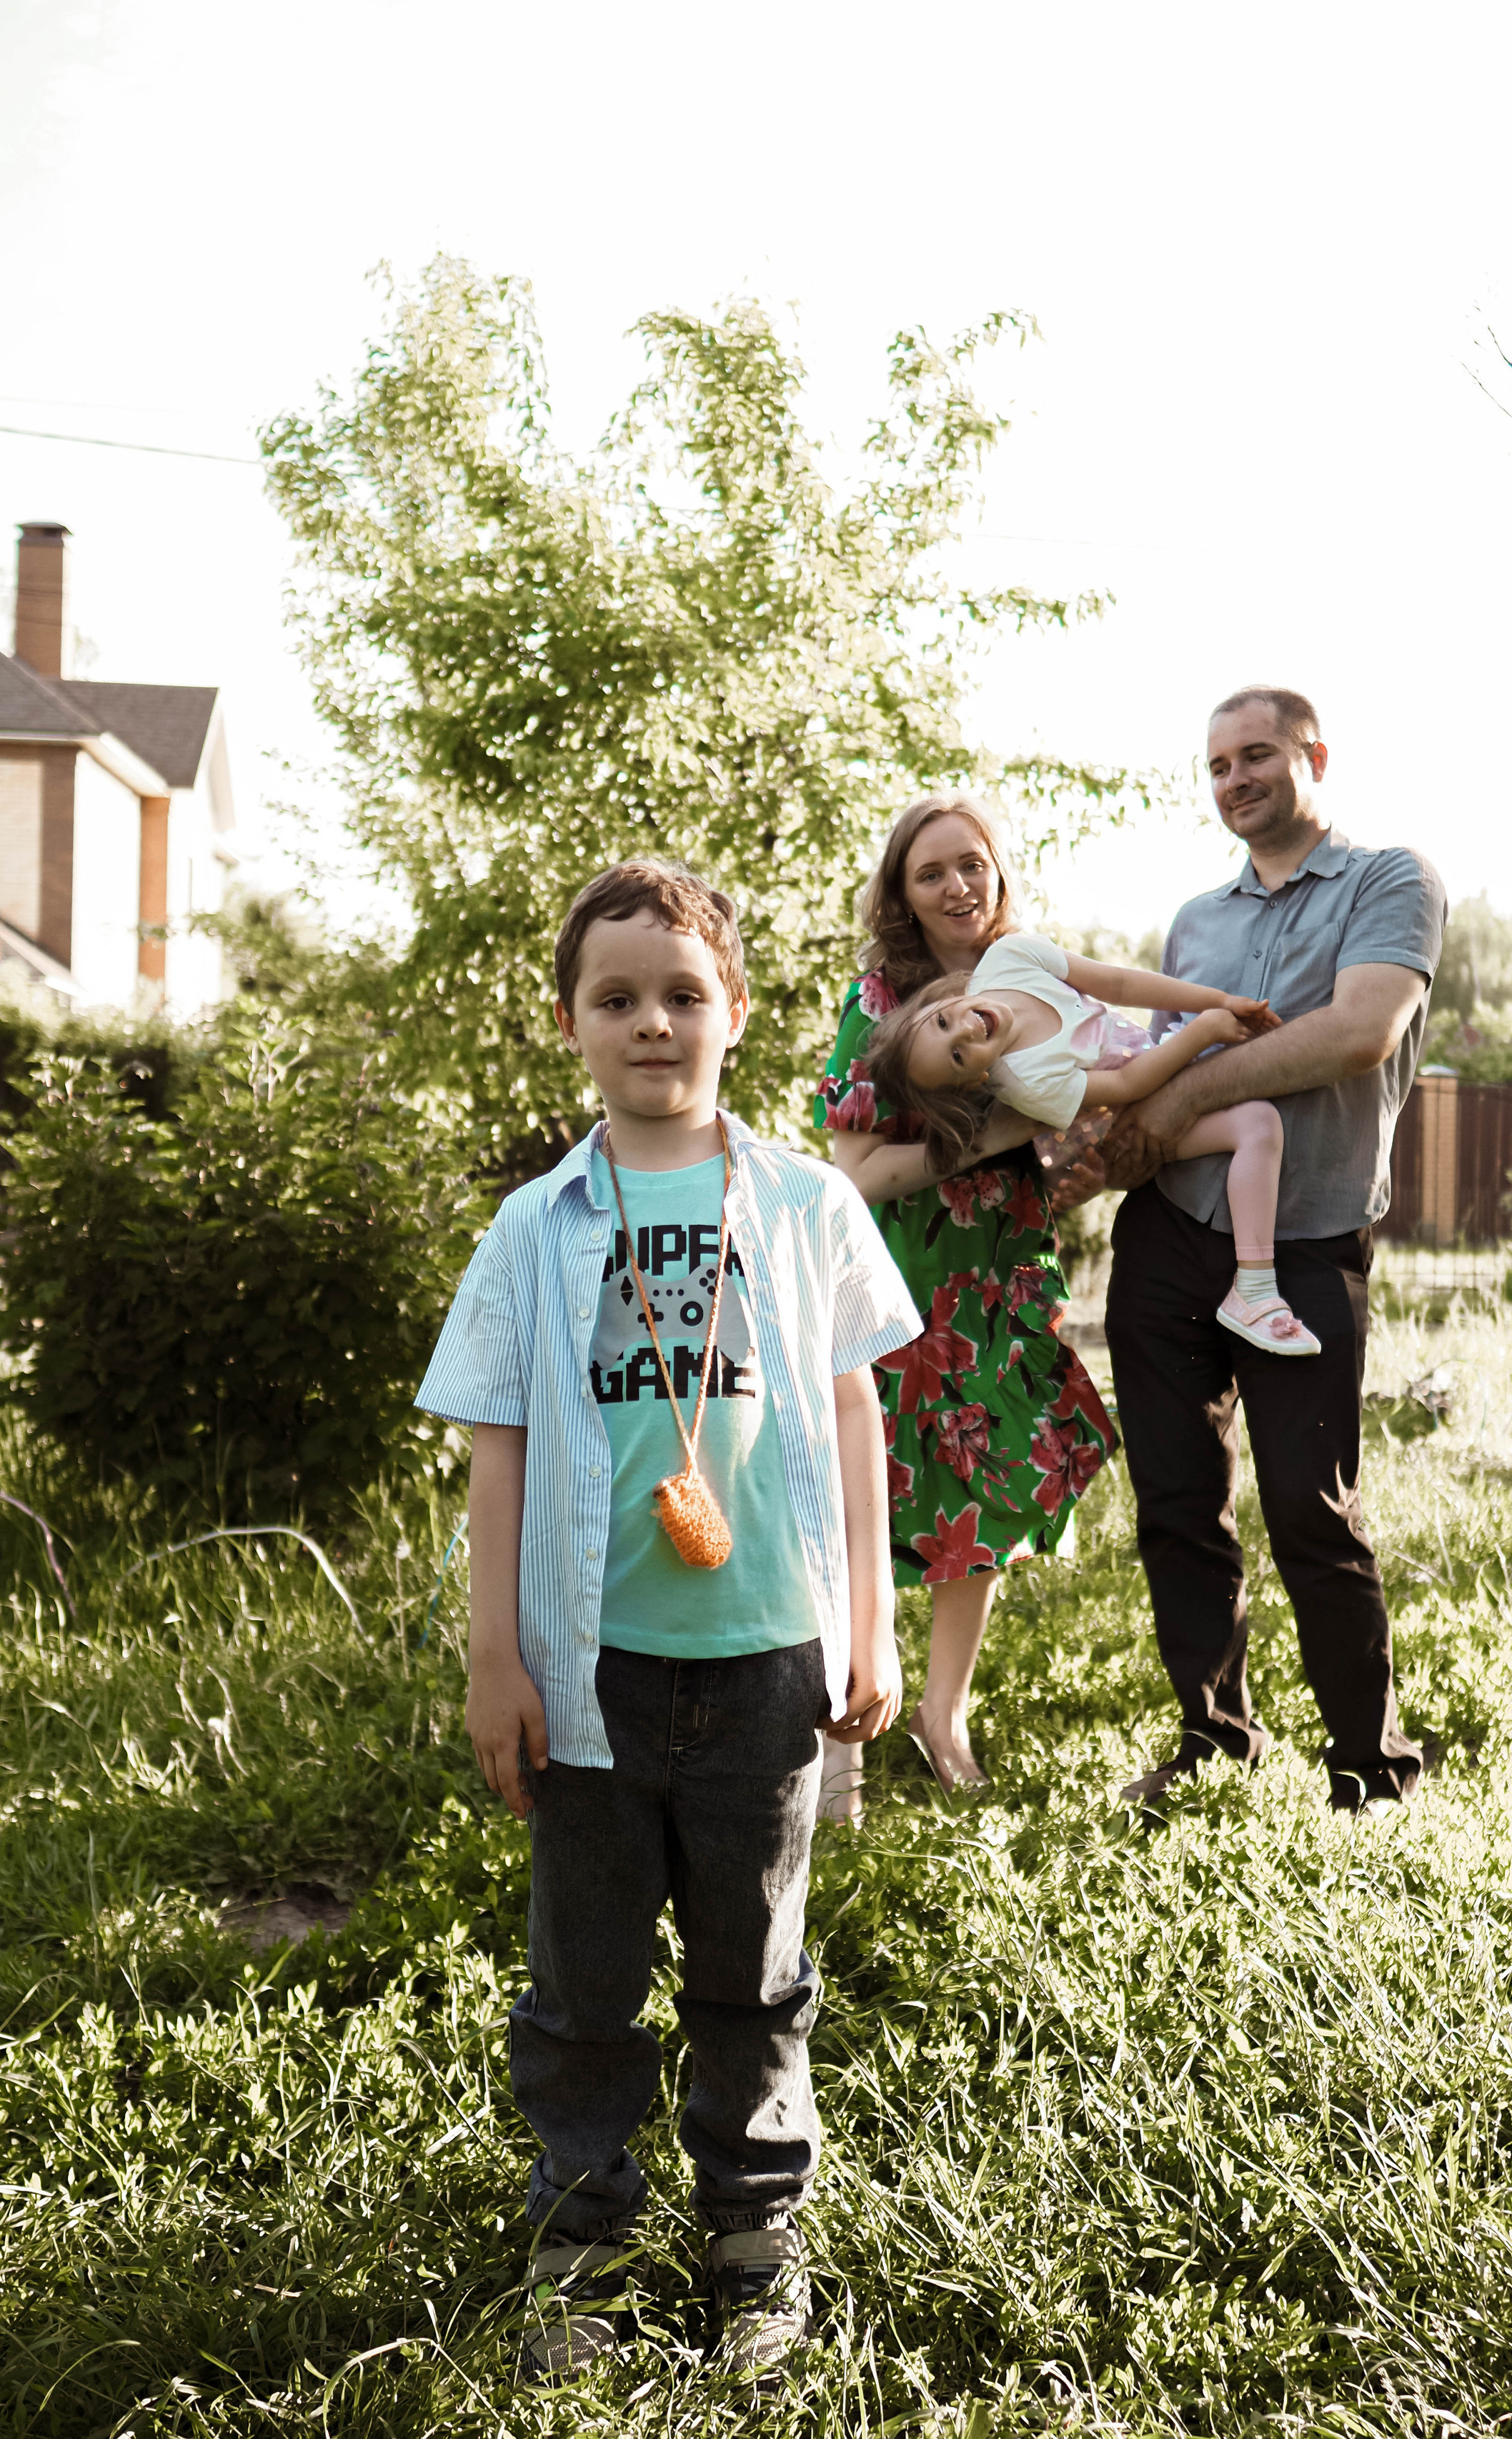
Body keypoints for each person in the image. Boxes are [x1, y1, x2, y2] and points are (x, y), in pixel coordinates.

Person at [417, 860, 921, 2384]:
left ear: (736, 1010)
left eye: (683, 993)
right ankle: (579, 2232)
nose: (653, 1021)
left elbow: (854, 1416)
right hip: (591, 1673)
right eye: (618, 996)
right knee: (583, 1978)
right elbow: (497, 1444)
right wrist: (494, 1656)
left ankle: (752, 2227)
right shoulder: (533, 1226)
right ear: (571, 1022)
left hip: (765, 1659)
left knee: (753, 1970)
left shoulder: (807, 1203)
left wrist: (873, 1621)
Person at [1095, 688, 1446, 1814]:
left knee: (1311, 1509)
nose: (1234, 780)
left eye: (1255, 756)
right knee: (1176, 1503)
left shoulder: (1390, 880)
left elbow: (1359, 1032)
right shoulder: (1195, 920)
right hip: (1167, 1234)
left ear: (1314, 756)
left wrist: (1185, 1093)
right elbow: (1151, 1070)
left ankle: (1370, 1770)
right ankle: (1214, 1740)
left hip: (1302, 1249)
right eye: (1216, 766)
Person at [814, 795, 1119, 1799]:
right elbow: (856, 1171)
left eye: (972, 864)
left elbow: (1095, 1094)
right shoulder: (879, 999)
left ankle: (943, 1716)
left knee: (987, 1481)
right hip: (901, 1277)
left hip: (1002, 1268)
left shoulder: (1027, 979)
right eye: (931, 871)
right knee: (876, 1490)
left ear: (998, 871)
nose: (957, 886)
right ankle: (846, 1730)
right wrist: (998, 1134)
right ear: (901, 894)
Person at [861, 929, 1320, 1355]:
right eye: (959, 1057)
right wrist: (1205, 1030)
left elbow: (1118, 983)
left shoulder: (1009, 957)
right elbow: (1125, 1087)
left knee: (1259, 1091)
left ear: (940, 1000)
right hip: (1136, 1118)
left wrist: (1217, 1002)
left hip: (1162, 1058)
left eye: (943, 1022)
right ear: (977, 1079)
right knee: (1258, 1124)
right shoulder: (1025, 1082)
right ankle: (1255, 1289)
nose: (964, 1031)